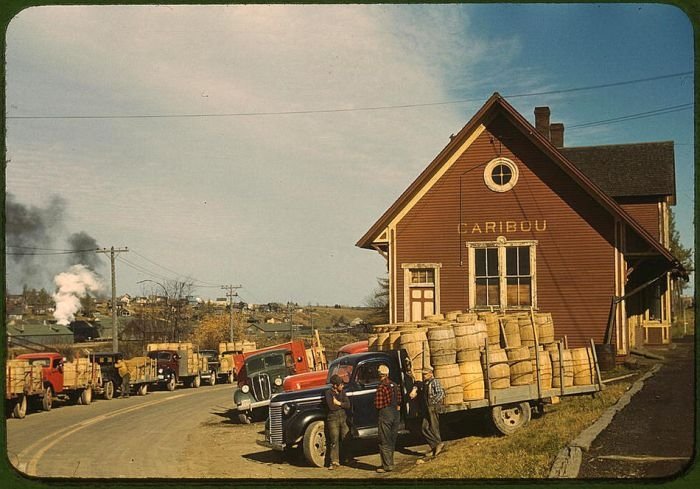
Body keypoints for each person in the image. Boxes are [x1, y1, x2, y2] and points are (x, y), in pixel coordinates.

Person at [410, 366, 445, 457]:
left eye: (425, 374)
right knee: (424, 428)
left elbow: (441, 393)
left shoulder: (434, 382)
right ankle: (435, 445)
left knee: (434, 427)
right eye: (423, 374)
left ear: (430, 374)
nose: (424, 376)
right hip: (426, 408)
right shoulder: (425, 383)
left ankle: (438, 446)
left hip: (432, 407)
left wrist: (432, 403)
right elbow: (418, 385)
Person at [374, 364, 401, 473]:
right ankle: (390, 462)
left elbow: (378, 404)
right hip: (395, 413)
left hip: (385, 413)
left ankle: (387, 465)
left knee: (384, 440)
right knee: (391, 439)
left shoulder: (381, 387)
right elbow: (399, 400)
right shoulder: (394, 385)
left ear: (380, 375)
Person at [325, 374, 350, 470]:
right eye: (340, 384)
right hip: (333, 418)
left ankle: (347, 458)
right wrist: (341, 404)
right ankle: (334, 461)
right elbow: (331, 406)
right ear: (335, 385)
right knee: (334, 440)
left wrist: (338, 403)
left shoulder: (342, 392)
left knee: (345, 437)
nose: (342, 386)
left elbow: (348, 405)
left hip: (342, 417)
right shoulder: (328, 393)